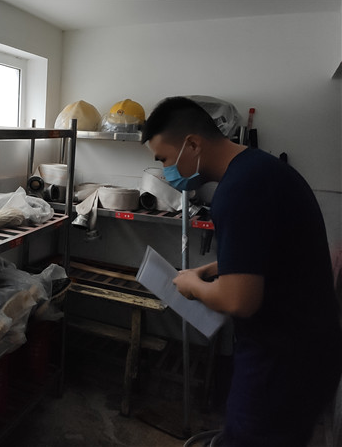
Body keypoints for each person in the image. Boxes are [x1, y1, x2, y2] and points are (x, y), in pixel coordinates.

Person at [142, 96, 342, 447]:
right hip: (307, 353)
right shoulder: (259, 169)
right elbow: (267, 251)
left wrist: (191, 285)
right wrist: (213, 268)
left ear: (193, 144)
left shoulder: (239, 191)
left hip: (281, 361)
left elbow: (239, 301)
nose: (165, 171)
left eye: (164, 159)